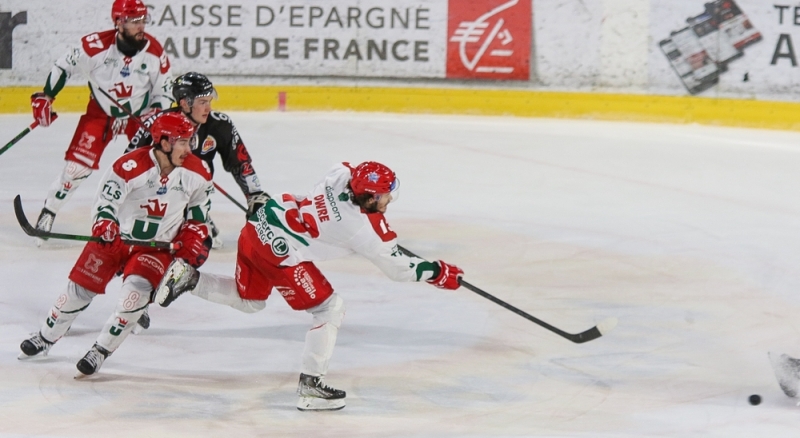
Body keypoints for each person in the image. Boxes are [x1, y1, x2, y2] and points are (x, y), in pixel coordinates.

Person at [153, 161, 464, 411]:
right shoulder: (365, 230)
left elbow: (347, 169)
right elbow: (397, 269)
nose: (389, 198)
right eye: (384, 194)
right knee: (330, 308)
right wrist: (437, 272)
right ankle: (311, 386)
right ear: (369, 198)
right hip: (279, 251)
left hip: (259, 225)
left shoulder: (338, 176)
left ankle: (189, 278)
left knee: (251, 300)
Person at [18, 112, 213, 378]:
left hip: (155, 248)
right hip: (116, 240)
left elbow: (199, 217)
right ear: (164, 142)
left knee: (133, 300)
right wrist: (104, 223)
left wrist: (190, 240)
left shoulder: (198, 172)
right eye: (182, 142)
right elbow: (106, 202)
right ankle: (46, 336)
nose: (188, 148)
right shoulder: (130, 166)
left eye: (190, 140)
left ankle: (99, 351)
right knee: (77, 291)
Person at [31, 0, 173, 243]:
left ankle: (170, 217)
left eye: (142, 20)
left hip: (139, 117)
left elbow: (165, 90)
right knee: (76, 169)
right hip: (100, 113)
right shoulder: (94, 46)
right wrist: (47, 96)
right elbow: (64, 65)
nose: (140, 26)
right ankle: (49, 210)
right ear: (118, 22)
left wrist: (156, 113)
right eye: (133, 21)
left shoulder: (155, 52)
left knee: (155, 168)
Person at [125, 72, 269, 248]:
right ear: (185, 103)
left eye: (209, 101)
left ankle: (197, 214)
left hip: (195, 194)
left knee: (200, 242)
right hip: (156, 195)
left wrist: (254, 194)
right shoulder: (158, 122)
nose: (208, 108)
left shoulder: (220, 125)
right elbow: (127, 163)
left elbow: (240, 164)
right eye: (202, 103)